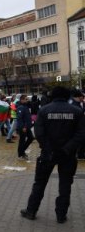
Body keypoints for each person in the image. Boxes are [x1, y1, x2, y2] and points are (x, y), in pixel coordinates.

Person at [20, 86, 85, 223]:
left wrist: (49, 148)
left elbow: (38, 132)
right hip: (67, 154)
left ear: (52, 96)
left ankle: (31, 211)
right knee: (65, 185)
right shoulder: (77, 111)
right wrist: (66, 149)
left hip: (48, 154)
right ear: (67, 96)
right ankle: (61, 215)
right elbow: (80, 134)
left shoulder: (44, 110)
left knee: (39, 183)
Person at [17, 95, 34, 160]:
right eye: (26, 99)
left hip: (27, 126)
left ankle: (22, 151)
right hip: (23, 127)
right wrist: (23, 127)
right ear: (22, 100)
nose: (27, 100)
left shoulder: (25, 106)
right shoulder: (21, 107)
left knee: (31, 138)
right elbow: (19, 118)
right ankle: (20, 154)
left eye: (27, 99)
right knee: (22, 141)